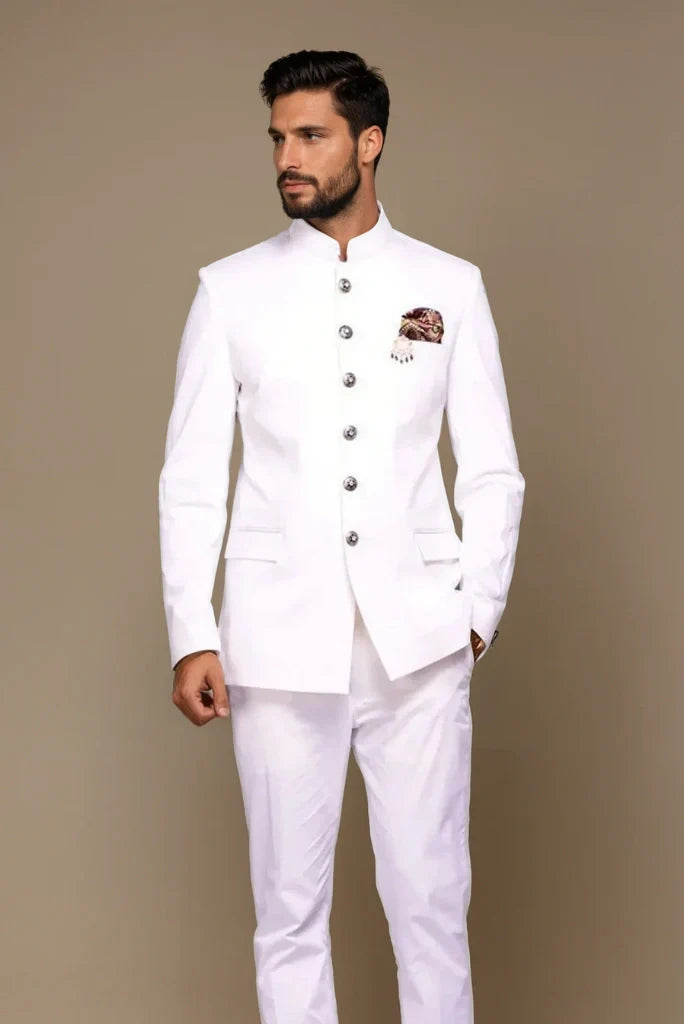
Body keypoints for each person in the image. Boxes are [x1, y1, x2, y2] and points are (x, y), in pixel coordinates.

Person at [158, 48, 525, 1024]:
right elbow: (190, 478)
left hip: (421, 643)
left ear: (369, 144)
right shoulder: (229, 290)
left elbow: (492, 468)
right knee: (287, 912)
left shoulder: (449, 285)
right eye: (278, 137)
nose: (288, 156)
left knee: (432, 906)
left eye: (311, 135)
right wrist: (193, 630)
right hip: (276, 644)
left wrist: (475, 612)